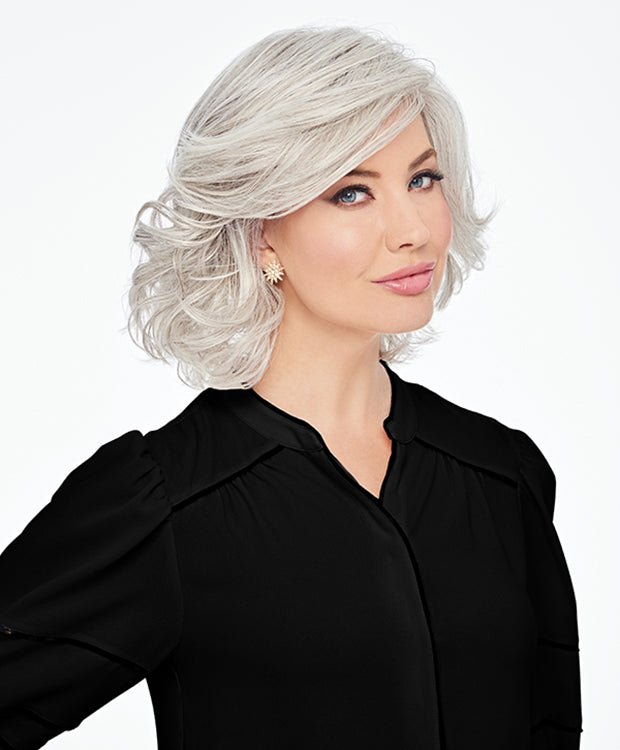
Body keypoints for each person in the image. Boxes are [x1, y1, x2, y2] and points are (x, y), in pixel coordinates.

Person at [0, 24, 582, 750]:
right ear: (260, 232)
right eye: (351, 193)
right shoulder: (167, 504)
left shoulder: (501, 474)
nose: (412, 229)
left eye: (422, 179)